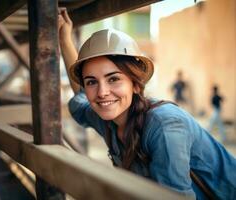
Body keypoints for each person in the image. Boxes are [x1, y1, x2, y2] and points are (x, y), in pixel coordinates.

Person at [58, 10, 236, 199]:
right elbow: (80, 95)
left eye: (113, 79)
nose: (102, 93)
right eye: (92, 82)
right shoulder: (107, 118)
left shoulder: (164, 125)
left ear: (135, 84)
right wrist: (64, 39)